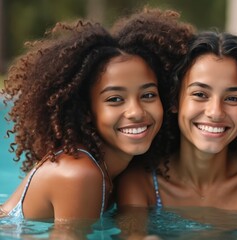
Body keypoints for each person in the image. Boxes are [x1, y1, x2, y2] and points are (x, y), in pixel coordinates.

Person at [0, 7, 194, 223]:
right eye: (115, 99)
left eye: (148, 95)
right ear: (87, 111)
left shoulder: (122, 170)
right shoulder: (80, 174)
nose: (136, 112)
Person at [116, 31, 237, 220]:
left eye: (233, 98)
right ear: (175, 100)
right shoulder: (140, 182)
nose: (215, 112)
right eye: (200, 95)